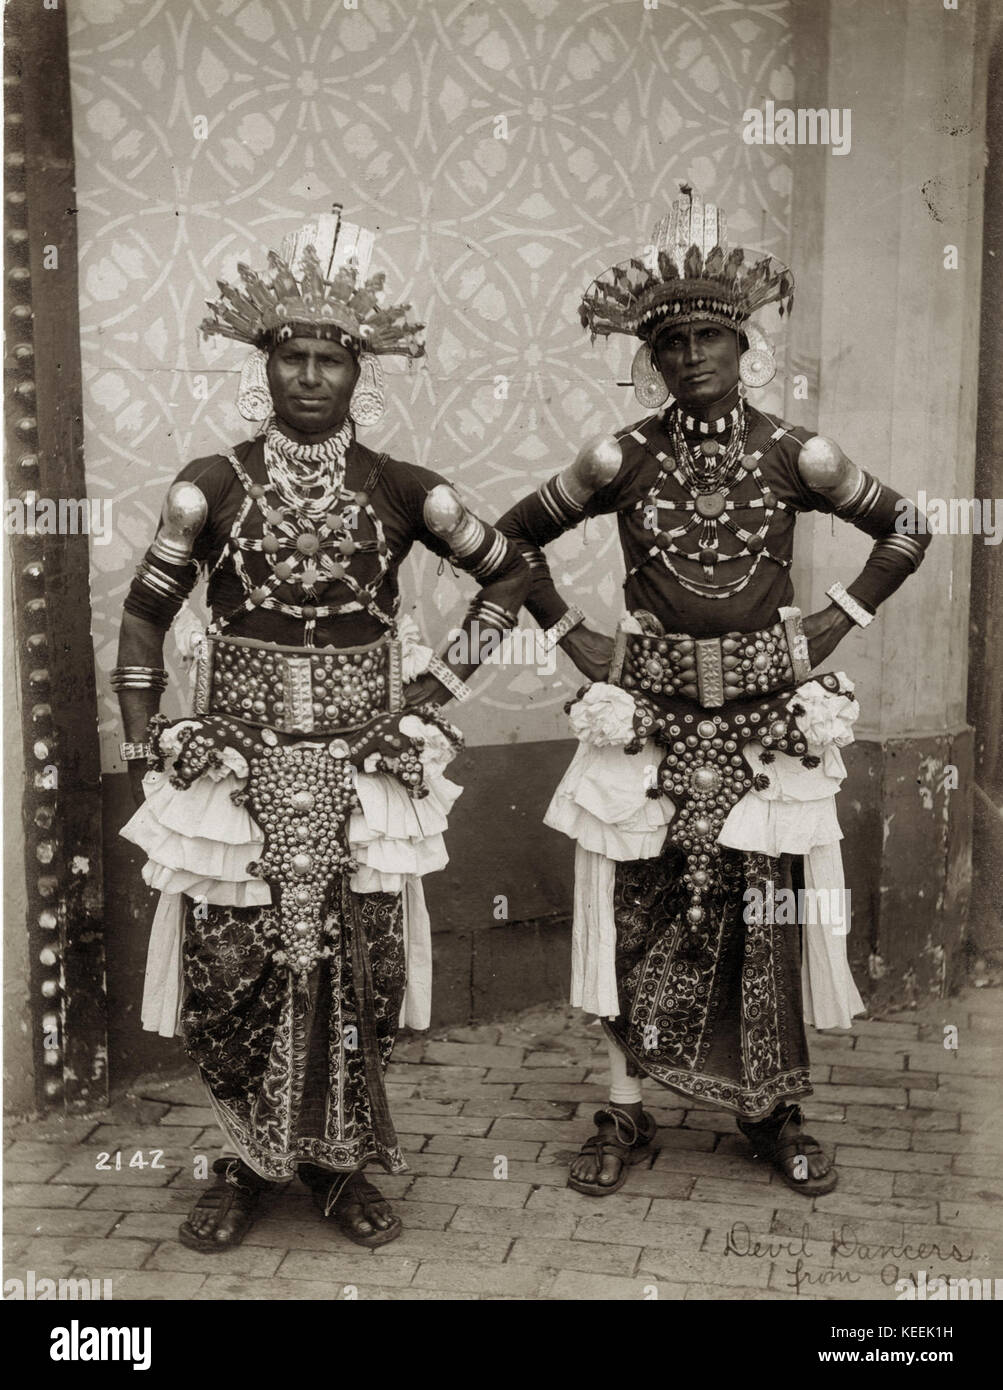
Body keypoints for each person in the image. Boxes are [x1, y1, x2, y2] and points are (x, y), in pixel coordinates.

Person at [497, 186, 930, 1198]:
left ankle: (768, 1109)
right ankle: (624, 1106)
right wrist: (571, 636)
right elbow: (508, 540)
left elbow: (907, 525)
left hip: (761, 719)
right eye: (672, 342)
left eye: (709, 337)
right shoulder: (620, 457)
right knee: (634, 907)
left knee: (765, 911)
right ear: (651, 359)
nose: (691, 356)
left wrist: (838, 618)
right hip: (643, 717)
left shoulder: (795, 453)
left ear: (744, 348)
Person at [115, 209, 529, 1250]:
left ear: (357, 372)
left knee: (361, 971)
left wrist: (432, 693)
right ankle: (245, 1164)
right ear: (265, 368)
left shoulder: (403, 487)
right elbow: (143, 615)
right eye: (289, 357)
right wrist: (146, 739)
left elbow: (509, 572)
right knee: (230, 972)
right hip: (237, 764)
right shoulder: (207, 484)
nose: (307, 376)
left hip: (362, 767)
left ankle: (341, 1169)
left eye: (327, 360)